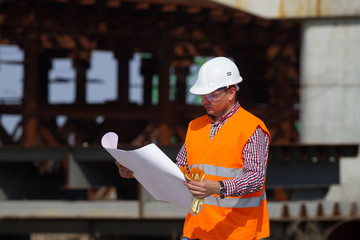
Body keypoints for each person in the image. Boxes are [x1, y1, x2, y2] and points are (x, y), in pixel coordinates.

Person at [116, 57, 271, 240]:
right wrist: (137, 170)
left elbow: (256, 178)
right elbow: (177, 171)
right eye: (202, 95)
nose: (205, 101)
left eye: (212, 95)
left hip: (238, 232)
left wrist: (218, 187)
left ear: (231, 93)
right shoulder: (195, 127)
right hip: (197, 229)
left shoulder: (252, 128)